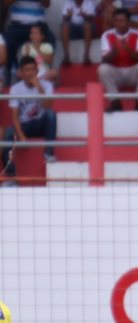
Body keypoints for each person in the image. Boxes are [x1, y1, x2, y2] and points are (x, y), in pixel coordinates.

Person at [1, 57, 55, 186]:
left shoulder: (46, 85)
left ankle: (49, 153)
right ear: (20, 73)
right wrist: (21, 137)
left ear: (37, 71)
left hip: (40, 123)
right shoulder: (15, 89)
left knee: (51, 115)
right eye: (27, 70)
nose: (30, 73)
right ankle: (10, 176)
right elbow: (14, 116)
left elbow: (48, 106)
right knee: (7, 135)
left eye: (33, 69)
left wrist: (39, 88)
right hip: (24, 125)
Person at [98, 7, 138, 109]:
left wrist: (127, 49)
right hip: (117, 73)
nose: (118, 24)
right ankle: (115, 102)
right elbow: (104, 60)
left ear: (128, 22)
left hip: (133, 73)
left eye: (122, 21)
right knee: (102, 68)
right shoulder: (107, 35)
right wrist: (113, 52)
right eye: (116, 21)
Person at [5, 0, 54, 76]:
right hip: (18, 24)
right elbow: (5, 3)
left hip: (38, 24)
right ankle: (12, 71)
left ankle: (46, 69)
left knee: (51, 38)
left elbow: (47, 4)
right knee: (8, 41)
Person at [60, 0, 96, 67]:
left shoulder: (89, 2)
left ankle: (86, 56)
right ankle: (66, 56)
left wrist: (84, 16)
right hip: (73, 30)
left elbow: (92, 18)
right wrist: (68, 16)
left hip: (84, 30)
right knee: (64, 26)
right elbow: (64, 19)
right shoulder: (68, 3)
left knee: (87, 25)